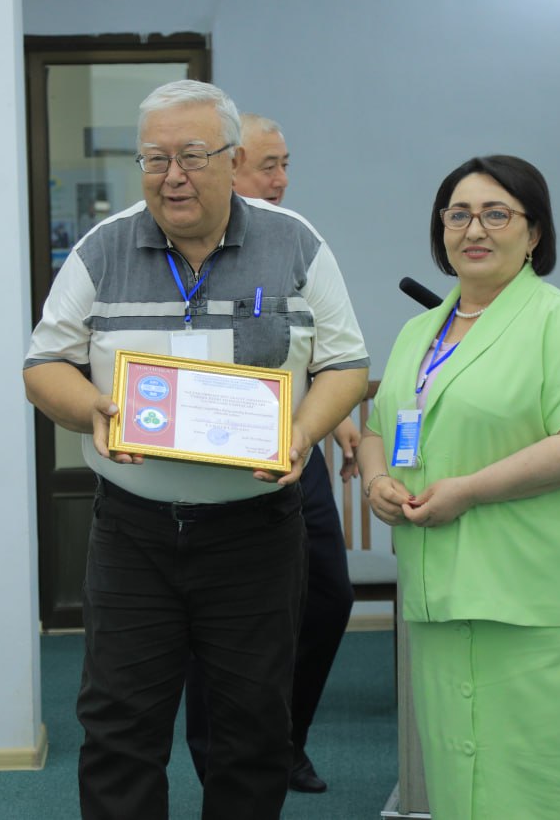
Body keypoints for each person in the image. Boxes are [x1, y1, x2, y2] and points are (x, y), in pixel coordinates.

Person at [23, 80, 368, 820]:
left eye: (192, 155)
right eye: (154, 159)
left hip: (255, 534)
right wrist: (92, 409)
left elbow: (346, 364)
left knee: (252, 730)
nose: (171, 176)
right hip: (133, 533)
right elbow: (44, 365)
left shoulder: (294, 241)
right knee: (118, 728)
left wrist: (302, 432)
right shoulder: (101, 248)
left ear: (232, 159)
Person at [356, 155, 560, 819]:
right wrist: (376, 480)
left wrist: (471, 489)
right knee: (463, 781)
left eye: (496, 214)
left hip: (537, 593)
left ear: (534, 233)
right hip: (442, 590)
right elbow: (379, 428)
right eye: (458, 214)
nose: (474, 229)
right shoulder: (420, 332)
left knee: (549, 785)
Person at [183, 111, 356, 795]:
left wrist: (332, 422)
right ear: (229, 168)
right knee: (214, 617)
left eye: (286, 164)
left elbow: (319, 347)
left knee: (328, 595)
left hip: (292, 449)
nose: (281, 178)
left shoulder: (293, 241)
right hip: (210, 460)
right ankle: (217, 760)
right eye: (268, 165)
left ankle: (284, 740)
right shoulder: (194, 244)